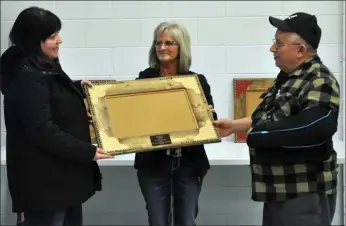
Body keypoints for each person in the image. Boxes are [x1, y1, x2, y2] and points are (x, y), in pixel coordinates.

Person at [214, 12, 340, 226]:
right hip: (280, 189)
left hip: (304, 191)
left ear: (300, 50)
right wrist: (234, 126)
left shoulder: (319, 80)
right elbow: (270, 119)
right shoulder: (288, 78)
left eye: (278, 44)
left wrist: (260, 136)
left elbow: (316, 126)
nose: (272, 48)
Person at [0, 7, 113, 226]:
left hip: (60, 179)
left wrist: (75, 87)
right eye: (52, 36)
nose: (59, 40)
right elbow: (42, 129)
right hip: (46, 185)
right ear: (34, 40)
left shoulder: (39, 65)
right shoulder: (28, 75)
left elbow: (48, 97)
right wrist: (87, 151)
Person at [134, 22, 217, 226]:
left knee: (187, 221)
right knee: (158, 221)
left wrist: (207, 118)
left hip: (189, 163)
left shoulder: (197, 81)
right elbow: (136, 119)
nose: (162, 48)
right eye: (158, 43)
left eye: (169, 43)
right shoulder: (144, 79)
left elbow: (210, 122)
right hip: (153, 164)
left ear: (181, 47)